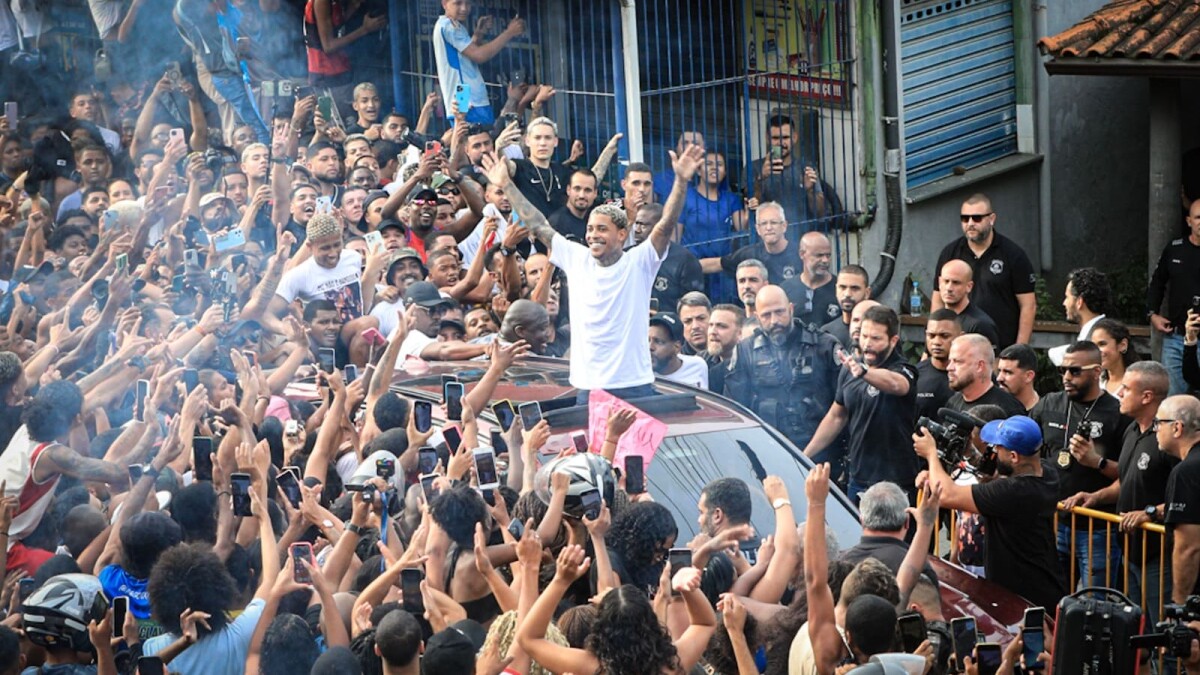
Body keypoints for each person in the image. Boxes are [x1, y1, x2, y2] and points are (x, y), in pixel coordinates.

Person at [487, 142, 703, 403]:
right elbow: (538, 223)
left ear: (621, 234)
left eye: (602, 229)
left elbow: (665, 226)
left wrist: (681, 182)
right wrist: (506, 184)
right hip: (589, 388)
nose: (592, 235)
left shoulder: (639, 262)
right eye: (590, 229)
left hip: (634, 385)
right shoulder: (576, 257)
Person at [1063, 361, 1175, 627]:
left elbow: (1186, 498)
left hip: (1160, 555)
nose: (1119, 393)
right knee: (1135, 632)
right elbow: (1127, 481)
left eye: (1126, 388)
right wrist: (1095, 497)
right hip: (1130, 550)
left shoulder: (1170, 439)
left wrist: (1149, 514)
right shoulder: (1132, 430)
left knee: (1164, 633)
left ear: (1147, 396)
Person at [914, 415, 1066, 608]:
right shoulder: (1046, 472)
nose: (993, 450)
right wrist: (970, 453)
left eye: (998, 448)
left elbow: (946, 495)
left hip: (1025, 597)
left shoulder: (1015, 492)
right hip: (1041, 583)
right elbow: (995, 475)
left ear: (1014, 456)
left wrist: (931, 455)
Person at [1029, 340, 1129, 588]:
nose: (1066, 377)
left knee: (1095, 602)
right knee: (1052, 595)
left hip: (1096, 527)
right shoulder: (1049, 403)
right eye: (1062, 370)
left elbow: (1130, 476)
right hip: (1053, 521)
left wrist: (1097, 462)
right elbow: (1026, 453)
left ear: (1096, 372)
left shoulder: (1118, 413)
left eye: (1075, 371)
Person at [803, 306, 919, 503]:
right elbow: (836, 416)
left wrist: (865, 372)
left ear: (893, 341)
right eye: (864, 336)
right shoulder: (850, 369)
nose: (867, 344)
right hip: (858, 478)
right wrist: (804, 455)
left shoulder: (903, 369)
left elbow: (897, 384)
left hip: (896, 481)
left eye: (876, 338)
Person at [724, 285, 840, 451]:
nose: (774, 321)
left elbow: (844, 406)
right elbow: (735, 409)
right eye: (766, 315)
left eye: (779, 312)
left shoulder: (824, 345)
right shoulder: (745, 351)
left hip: (821, 450)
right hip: (768, 449)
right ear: (757, 317)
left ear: (791, 309)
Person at [932, 193, 1037, 348]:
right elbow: (938, 298)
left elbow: (1028, 305)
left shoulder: (1013, 254)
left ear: (991, 219)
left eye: (977, 218)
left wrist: (1019, 349)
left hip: (1001, 347)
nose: (970, 223)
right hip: (956, 347)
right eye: (965, 218)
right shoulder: (951, 253)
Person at [433, 1, 525, 125]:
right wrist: (509, 33)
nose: (464, 8)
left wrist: (479, 33)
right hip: (465, 97)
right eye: (458, 3)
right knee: (476, 134)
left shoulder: (454, 25)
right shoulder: (449, 26)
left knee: (476, 133)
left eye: (468, 3)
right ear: (444, 3)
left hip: (465, 95)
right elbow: (478, 55)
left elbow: (466, 54)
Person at [750, 112, 842, 235]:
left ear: (794, 138)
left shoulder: (806, 167)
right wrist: (761, 178)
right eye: (775, 138)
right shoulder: (754, 168)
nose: (780, 143)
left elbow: (821, 213)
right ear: (767, 138)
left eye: (785, 138)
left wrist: (810, 190)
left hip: (801, 238)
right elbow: (750, 210)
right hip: (767, 239)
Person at [1148, 198, 1200, 395]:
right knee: (1173, 400)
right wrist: (1152, 314)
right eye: (1198, 217)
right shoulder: (1175, 248)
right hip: (1176, 337)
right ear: (1189, 221)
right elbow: (1157, 282)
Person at [839, 482, 937, 583]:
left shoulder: (840, 565)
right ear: (907, 522)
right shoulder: (919, 569)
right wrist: (925, 526)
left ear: (862, 521)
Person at [700, 201, 802, 287]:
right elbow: (717, 264)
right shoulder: (750, 254)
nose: (769, 228)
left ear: (784, 226)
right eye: (764, 223)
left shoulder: (801, 253)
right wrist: (690, 265)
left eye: (773, 222)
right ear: (758, 229)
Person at [1160, 395, 1200, 602]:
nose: (1155, 430)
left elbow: (1188, 547)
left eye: (1159, 423)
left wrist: (1180, 604)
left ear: (1177, 428)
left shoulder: (1186, 472)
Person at [632, 203, 703, 314]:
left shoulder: (685, 260)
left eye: (643, 225)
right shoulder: (627, 256)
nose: (637, 230)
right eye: (636, 224)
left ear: (661, 228)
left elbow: (693, 306)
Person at [944, 334, 1024, 417]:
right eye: (950, 361)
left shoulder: (1009, 410)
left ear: (979, 366)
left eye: (958, 362)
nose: (949, 367)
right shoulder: (952, 403)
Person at [1048, 266, 1111, 366]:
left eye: (1067, 297)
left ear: (1079, 302)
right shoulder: (1105, 329)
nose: (1064, 303)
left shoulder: (1099, 337)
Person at [934, 260, 1000, 347]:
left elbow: (990, 356)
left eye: (956, 283)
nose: (949, 288)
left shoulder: (981, 325)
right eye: (946, 281)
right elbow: (928, 353)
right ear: (939, 282)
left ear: (969, 286)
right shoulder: (936, 320)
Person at [780, 231, 839, 329]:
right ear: (802, 254)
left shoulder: (840, 287)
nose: (825, 260)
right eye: (819, 255)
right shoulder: (785, 289)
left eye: (828, 255)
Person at [914, 309, 961, 423]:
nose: (936, 342)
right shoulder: (916, 375)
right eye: (931, 336)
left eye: (944, 336)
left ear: (960, 336)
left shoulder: (971, 375)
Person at [648, 313, 709, 389]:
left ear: (676, 347)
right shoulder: (640, 374)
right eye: (647, 340)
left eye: (658, 342)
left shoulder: (697, 366)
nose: (650, 347)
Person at [822, 265, 870, 348]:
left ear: (867, 293)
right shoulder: (826, 332)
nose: (847, 294)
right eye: (842, 287)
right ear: (836, 289)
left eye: (855, 288)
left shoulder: (880, 330)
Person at [1092, 318, 1140, 396]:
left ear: (1122, 345)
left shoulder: (1138, 383)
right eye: (1094, 346)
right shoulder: (1094, 382)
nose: (1096, 351)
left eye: (1102, 344)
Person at [705, 304, 744, 394]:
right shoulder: (702, 361)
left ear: (740, 333)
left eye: (721, 326)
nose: (712, 332)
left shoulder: (750, 364)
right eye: (710, 325)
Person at [995, 343, 1040, 412]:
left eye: (1008, 372)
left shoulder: (1046, 412)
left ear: (1029, 376)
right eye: (999, 371)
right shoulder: (994, 409)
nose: (999, 378)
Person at [676, 292, 711, 356]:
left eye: (701, 318)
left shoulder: (728, 353)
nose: (695, 326)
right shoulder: (676, 359)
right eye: (688, 321)